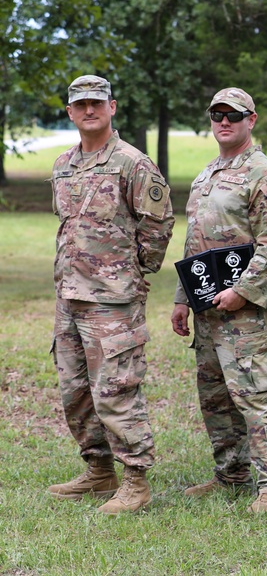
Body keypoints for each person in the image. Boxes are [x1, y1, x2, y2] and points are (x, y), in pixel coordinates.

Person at [47, 74, 174, 514]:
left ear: (112, 107)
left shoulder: (132, 163)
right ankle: (99, 471)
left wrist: (134, 274)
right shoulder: (63, 164)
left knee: (116, 391)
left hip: (113, 300)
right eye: (80, 104)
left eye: (96, 103)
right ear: (70, 112)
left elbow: (158, 224)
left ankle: (136, 481)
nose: (88, 110)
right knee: (75, 391)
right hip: (69, 296)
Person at [170, 87, 267, 513]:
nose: (224, 121)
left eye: (233, 115)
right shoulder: (207, 175)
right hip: (207, 309)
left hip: (246, 314)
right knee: (216, 397)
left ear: (251, 120)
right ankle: (231, 474)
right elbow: (194, 244)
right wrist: (182, 297)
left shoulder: (264, 176)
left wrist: (243, 292)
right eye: (217, 114)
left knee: (257, 395)